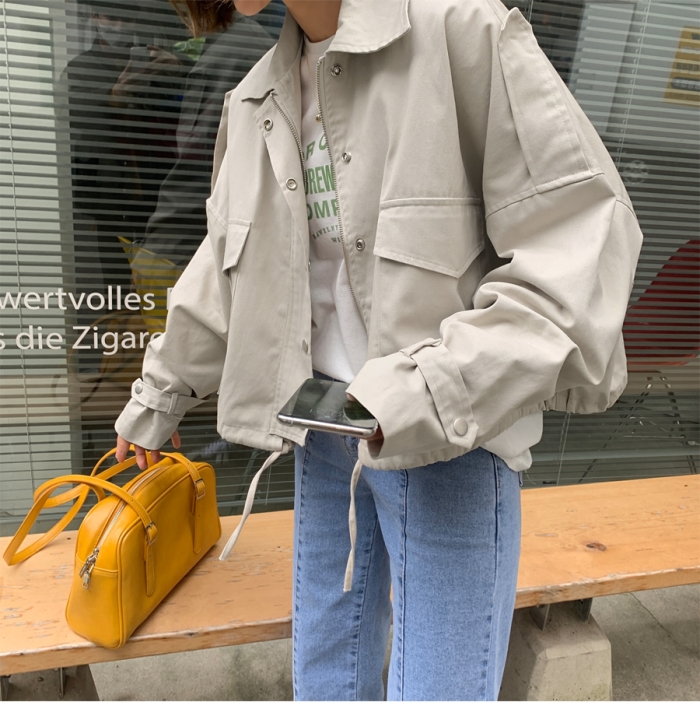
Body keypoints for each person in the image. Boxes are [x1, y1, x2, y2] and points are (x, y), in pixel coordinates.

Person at [114, 0, 643, 700]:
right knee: (325, 681)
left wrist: (429, 391)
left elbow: (579, 246)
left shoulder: (459, 30)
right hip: (323, 432)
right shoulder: (256, 95)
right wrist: (159, 393)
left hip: (450, 446)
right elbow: (226, 264)